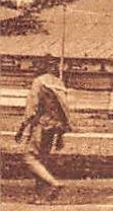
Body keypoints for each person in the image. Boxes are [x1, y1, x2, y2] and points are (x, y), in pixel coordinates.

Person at [14, 69, 73, 203]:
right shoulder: (58, 83)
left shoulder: (39, 82)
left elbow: (32, 108)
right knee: (42, 159)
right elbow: (63, 109)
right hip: (54, 126)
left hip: (41, 124)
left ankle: (54, 183)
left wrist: (22, 128)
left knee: (29, 158)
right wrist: (61, 134)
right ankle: (40, 196)